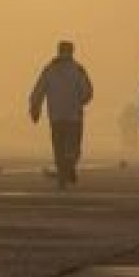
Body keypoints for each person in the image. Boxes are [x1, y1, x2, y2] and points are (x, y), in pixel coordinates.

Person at [29, 41, 94, 189]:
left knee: (58, 147)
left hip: (56, 116)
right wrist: (80, 101)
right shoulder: (78, 69)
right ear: (72, 51)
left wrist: (35, 108)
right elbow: (87, 92)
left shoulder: (49, 69)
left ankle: (63, 173)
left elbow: (38, 90)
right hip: (74, 116)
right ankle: (68, 168)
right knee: (73, 148)